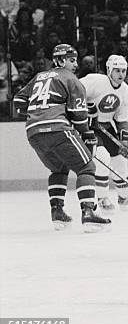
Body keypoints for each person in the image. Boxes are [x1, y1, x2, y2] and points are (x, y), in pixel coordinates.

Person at [12, 44, 111, 232]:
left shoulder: (39, 77)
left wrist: (39, 111)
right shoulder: (71, 79)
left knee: (59, 168)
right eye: (72, 60)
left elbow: (18, 102)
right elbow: (78, 116)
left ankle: (57, 212)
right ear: (60, 60)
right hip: (57, 129)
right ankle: (88, 212)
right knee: (86, 167)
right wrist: (88, 134)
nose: (75, 65)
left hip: (33, 132)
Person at [80, 54, 128, 213]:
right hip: (88, 128)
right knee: (102, 156)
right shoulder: (95, 81)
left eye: (123, 71)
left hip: (106, 127)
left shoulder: (125, 91)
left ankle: (124, 197)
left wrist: (125, 141)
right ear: (109, 70)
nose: (121, 74)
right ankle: (101, 199)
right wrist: (87, 109)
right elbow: (74, 92)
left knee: (120, 158)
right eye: (117, 70)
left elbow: (122, 119)